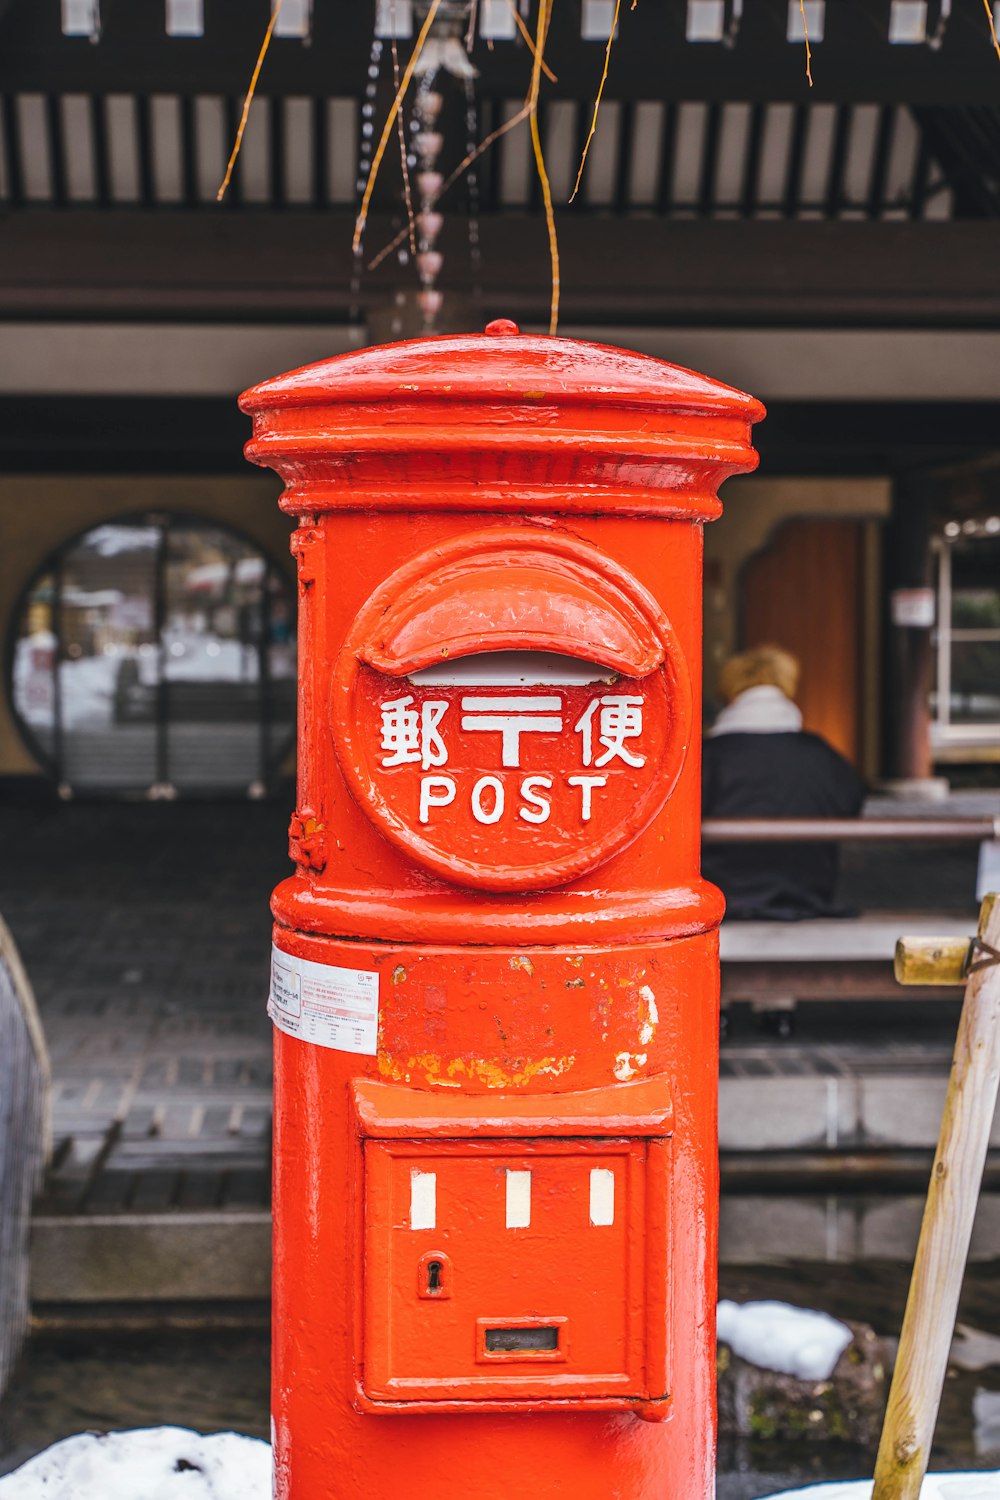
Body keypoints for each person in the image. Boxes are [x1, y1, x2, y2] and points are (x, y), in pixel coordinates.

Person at [702, 645, 866, 1036]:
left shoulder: (710, 754)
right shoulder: (820, 754)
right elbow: (851, 803)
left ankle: (716, 1007)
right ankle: (777, 1008)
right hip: (804, 892)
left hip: (723, 896)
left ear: (731, 694)